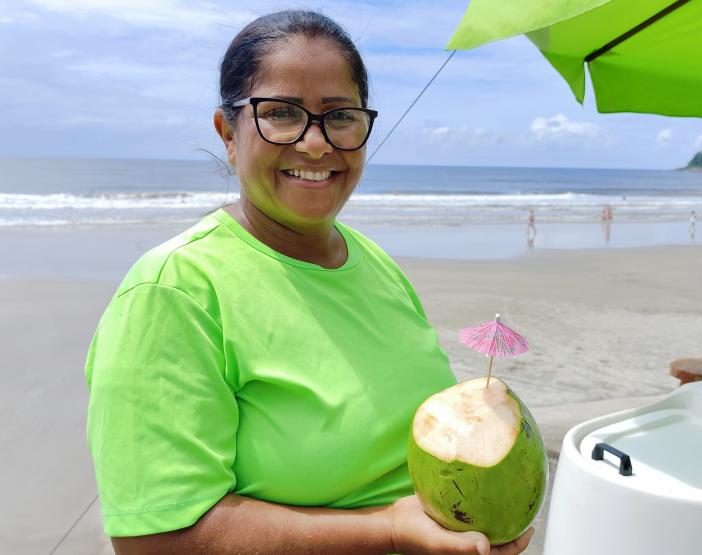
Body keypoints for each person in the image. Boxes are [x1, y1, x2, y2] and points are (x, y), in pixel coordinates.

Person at [84, 10, 533, 555]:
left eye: (340, 116)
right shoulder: (175, 291)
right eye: (281, 113)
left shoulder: (373, 262)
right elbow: (157, 540)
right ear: (228, 133)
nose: (316, 144)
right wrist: (389, 532)